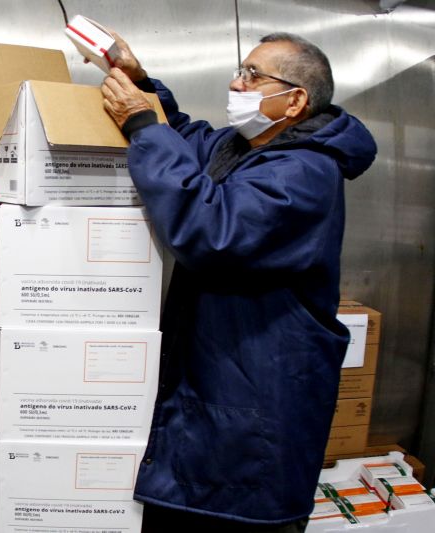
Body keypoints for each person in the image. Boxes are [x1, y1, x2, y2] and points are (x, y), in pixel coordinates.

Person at [100, 32, 377, 532]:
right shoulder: (246, 148)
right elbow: (185, 138)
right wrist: (142, 84)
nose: (237, 82)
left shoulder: (303, 172)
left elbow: (211, 232)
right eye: (240, 69)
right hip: (220, 386)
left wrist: (140, 123)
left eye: (254, 75)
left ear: (295, 100)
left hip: (257, 403)